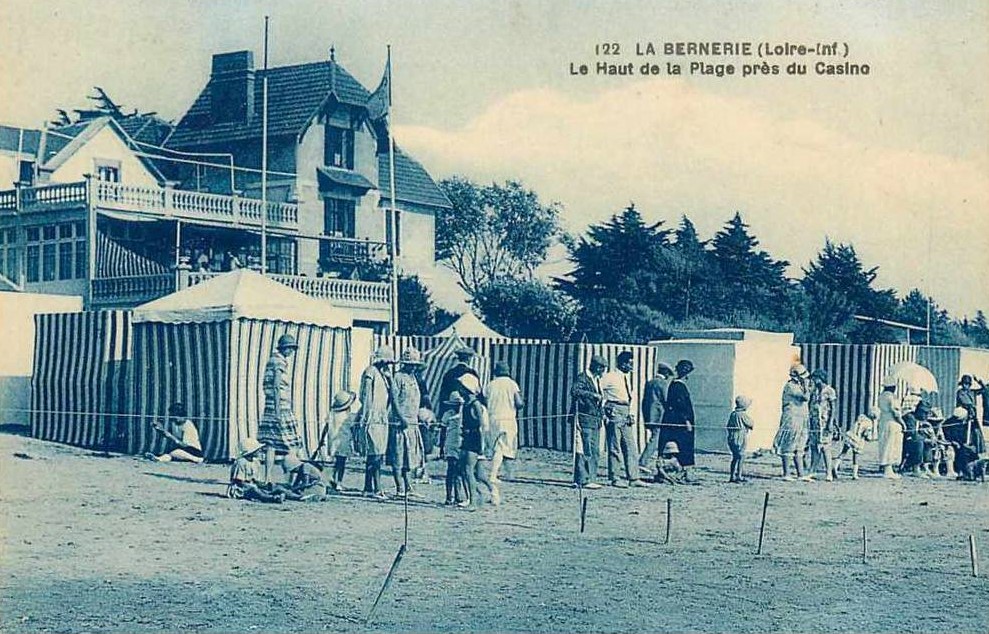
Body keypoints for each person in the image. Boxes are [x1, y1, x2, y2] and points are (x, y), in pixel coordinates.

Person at [259, 334, 304, 483]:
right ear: (284, 348)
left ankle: (267, 478)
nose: (291, 351)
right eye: (290, 348)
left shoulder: (272, 360)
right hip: (280, 407)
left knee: (270, 443)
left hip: (270, 406)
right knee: (293, 442)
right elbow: (277, 385)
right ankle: (291, 478)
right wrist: (278, 410)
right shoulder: (279, 362)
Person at [599, 351, 645, 488]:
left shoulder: (626, 378)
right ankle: (615, 477)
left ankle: (634, 477)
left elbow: (628, 398)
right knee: (615, 446)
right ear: (622, 363)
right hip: (614, 410)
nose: (631, 367)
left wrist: (631, 414)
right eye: (629, 364)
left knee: (630, 446)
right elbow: (598, 391)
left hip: (625, 411)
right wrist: (605, 410)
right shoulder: (610, 377)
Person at [387, 347, 425, 498]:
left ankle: (409, 487)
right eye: (411, 365)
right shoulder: (398, 377)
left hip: (412, 422)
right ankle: (400, 488)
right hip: (400, 423)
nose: (413, 367)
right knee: (398, 456)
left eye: (415, 365)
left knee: (409, 457)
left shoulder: (413, 378)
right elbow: (394, 400)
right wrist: (401, 417)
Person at [358, 346, 394, 499]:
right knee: (375, 453)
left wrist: (390, 379)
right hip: (372, 416)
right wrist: (366, 416)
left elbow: (391, 397)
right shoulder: (370, 372)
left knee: (376, 453)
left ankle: (369, 487)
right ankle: (376, 488)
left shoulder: (384, 375)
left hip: (382, 416)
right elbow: (366, 397)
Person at [458, 373, 496, 507]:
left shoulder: (475, 405)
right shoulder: (466, 404)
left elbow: (482, 426)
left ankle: (473, 501)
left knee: (469, 470)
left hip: (474, 438)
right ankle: (479, 495)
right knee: (468, 471)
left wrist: (483, 446)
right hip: (466, 438)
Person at [484, 360, 524, 486]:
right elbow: (519, 403)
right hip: (508, 419)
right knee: (505, 447)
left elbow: (485, 401)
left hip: (493, 418)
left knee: (498, 446)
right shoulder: (512, 384)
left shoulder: (490, 385)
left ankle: (508, 474)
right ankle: (493, 475)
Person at [571, 354, 608, 490]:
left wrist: (602, 414)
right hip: (585, 418)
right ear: (596, 367)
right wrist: (593, 395)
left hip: (595, 419)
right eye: (602, 368)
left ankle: (590, 477)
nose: (603, 372)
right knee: (585, 449)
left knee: (594, 450)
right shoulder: (583, 378)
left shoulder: (596, 380)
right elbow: (575, 391)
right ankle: (583, 479)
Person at [660, 360, 698, 481]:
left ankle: (681, 470)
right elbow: (680, 405)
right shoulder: (678, 386)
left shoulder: (675, 385)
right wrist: (686, 420)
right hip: (680, 421)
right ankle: (682, 471)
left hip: (676, 419)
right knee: (683, 445)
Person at [773, 364, 812, 482]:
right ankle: (786, 473)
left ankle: (801, 474)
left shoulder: (800, 386)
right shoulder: (790, 386)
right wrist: (806, 387)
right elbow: (805, 398)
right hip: (792, 418)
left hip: (802, 419)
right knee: (789, 444)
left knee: (800, 446)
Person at [639, 362, 675, 476]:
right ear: (665, 372)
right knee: (655, 439)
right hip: (659, 416)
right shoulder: (662, 383)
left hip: (649, 416)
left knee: (655, 438)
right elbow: (666, 399)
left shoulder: (650, 382)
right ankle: (643, 462)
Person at [227, 438, 284, 503]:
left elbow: (255, 480)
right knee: (254, 490)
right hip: (241, 489)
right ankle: (271, 498)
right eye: (257, 449)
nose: (260, 450)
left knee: (271, 487)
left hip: (252, 486)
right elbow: (239, 482)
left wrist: (262, 484)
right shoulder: (241, 462)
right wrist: (253, 485)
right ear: (252, 451)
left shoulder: (256, 462)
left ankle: (291, 496)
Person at [324, 390, 359, 491]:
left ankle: (334, 480)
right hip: (342, 441)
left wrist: (322, 439)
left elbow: (326, 427)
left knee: (337, 462)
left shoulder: (332, 414)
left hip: (333, 441)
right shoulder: (348, 416)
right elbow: (352, 429)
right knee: (341, 463)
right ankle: (338, 482)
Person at [808, 369, 839, 481]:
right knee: (814, 446)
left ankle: (828, 472)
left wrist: (830, 422)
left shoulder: (829, 391)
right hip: (815, 422)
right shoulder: (815, 391)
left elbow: (833, 408)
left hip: (825, 421)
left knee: (825, 447)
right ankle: (813, 470)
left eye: (815, 378)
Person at [943, 406, 986, 480]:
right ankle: (962, 472)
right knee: (962, 453)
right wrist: (954, 442)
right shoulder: (950, 423)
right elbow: (948, 435)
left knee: (969, 451)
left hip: (965, 443)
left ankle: (973, 471)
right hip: (954, 443)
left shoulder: (969, 422)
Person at [439, 392, 468, 505]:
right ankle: (449, 496)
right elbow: (443, 431)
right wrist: (441, 448)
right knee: (451, 470)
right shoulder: (448, 414)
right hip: (451, 444)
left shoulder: (464, 414)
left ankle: (458, 495)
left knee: (460, 471)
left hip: (461, 444)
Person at [835, 406, 879, 480]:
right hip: (858, 439)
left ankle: (835, 466)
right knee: (856, 456)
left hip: (850, 435)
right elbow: (866, 434)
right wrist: (869, 438)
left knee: (843, 452)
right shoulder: (869, 424)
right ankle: (854, 474)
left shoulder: (861, 417)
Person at [876, 379, 905, 479]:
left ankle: (886, 467)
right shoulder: (892, 397)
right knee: (892, 445)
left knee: (884, 444)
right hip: (892, 423)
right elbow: (896, 412)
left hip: (883, 421)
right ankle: (888, 469)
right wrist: (903, 423)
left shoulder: (881, 396)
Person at [726, 395, 754, 483]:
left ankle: (732, 475)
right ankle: (739, 475)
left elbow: (728, 426)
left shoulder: (733, 414)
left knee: (735, 457)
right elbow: (750, 424)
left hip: (732, 437)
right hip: (740, 436)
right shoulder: (743, 415)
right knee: (741, 456)